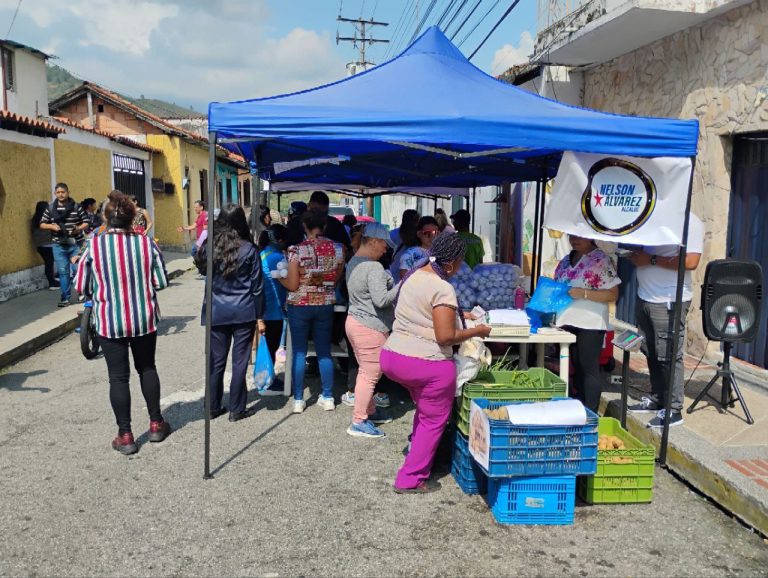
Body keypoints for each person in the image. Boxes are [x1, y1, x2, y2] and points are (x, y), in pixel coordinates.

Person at [381, 232, 491, 493]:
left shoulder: (414, 275)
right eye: (461, 262)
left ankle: (418, 455)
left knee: (425, 412)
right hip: (427, 363)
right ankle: (410, 478)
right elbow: (446, 336)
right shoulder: (442, 287)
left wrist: (458, 314)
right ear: (452, 262)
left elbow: (424, 313)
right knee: (433, 420)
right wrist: (477, 331)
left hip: (394, 356)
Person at [74, 190, 170, 455]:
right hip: (143, 319)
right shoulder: (146, 243)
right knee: (147, 367)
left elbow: (81, 285)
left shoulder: (94, 245)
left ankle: (125, 435)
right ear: (132, 218)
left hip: (109, 322)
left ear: (106, 218)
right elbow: (161, 281)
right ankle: (156, 424)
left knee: (118, 378)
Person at [628, 214, 704, 428]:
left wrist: (650, 260)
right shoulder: (654, 215)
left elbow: (691, 261)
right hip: (645, 295)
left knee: (669, 354)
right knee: (650, 350)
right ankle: (657, 399)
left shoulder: (691, 221)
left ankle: (674, 408)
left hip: (669, 299)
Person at [195, 204, 265, 422]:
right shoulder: (250, 249)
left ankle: (213, 406)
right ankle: (236, 408)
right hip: (243, 311)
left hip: (216, 310)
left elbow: (199, 266)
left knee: (216, 361)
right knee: (240, 361)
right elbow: (257, 287)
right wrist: (260, 316)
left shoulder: (209, 247)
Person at [282, 210, 345, 414]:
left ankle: (299, 400)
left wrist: (279, 279)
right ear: (324, 226)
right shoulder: (337, 249)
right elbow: (336, 277)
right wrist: (322, 284)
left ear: (304, 226)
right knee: (324, 352)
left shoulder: (295, 250)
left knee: (299, 352)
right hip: (325, 303)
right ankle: (328, 397)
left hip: (299, 305)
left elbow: (292, 284)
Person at [344, 223, 400, 438]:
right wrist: (400, 285)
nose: (386, 249)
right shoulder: (374, 267)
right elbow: (382, 300)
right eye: (385, 244)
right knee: (370, 375)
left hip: (355, 322)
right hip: (370, 326)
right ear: (374, 242)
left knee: (365, 371)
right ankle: (359, 421)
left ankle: (369, 411)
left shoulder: (354, 262)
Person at [553, 235, 621, 412]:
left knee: (588, 368)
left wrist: (583, 293)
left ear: (590, 237)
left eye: (579, 236)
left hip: (590, 322)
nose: (574, 239)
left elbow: (612, 294)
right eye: (571, 236)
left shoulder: (601, 260)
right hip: (567, 321)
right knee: (575, 366)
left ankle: (590, 412)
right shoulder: (566, 260)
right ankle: (578, 407)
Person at [38, 183, 88, 307]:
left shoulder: (76, 207)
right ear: (55, 194)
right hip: (58, 245)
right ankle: (65, 297)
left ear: (68, 192)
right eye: (58, 192)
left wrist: (78, 228)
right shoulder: (50, 208)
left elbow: (86, 222)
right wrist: (51, 226)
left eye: (63, 192)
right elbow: (42, 223)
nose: (61, 194)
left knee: (78, 269)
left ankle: (82, 293)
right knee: (63, 271)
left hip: (76, 243)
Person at [258, 223, 290, 396]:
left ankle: (267, 378)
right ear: (279, 240)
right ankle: (267, 382)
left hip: (265, 306)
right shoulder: (277, 257)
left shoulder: (263, 253)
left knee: (268, 345)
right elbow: (289, 279)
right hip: (274, 308)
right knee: (271, 345)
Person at [398, 216, 440, 281]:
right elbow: (404, 279)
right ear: (419, 234)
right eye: (427, 233)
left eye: (435, 233)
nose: (432, 236)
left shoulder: (441, 253)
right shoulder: (410, 254)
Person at [31, 201, 58, 290]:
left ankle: (53, 281)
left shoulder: (34, 219)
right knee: (49, 264)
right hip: (48, 245)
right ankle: (52, 283)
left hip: (39, 246)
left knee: (48, 263)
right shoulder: (47, 219)